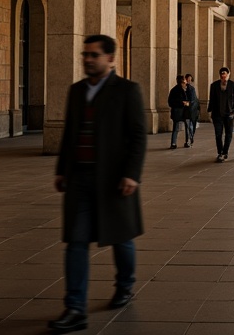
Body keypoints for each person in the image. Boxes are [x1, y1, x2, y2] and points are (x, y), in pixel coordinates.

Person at [50, 34, 146, 333]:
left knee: (121, 237)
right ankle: (75, 307)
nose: (88, 59)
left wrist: (132, 174)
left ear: (111, 59)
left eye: (94, 55)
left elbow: (138, 136)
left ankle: (125, 286)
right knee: (76, 242)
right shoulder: (77, 91)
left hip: (114, 178)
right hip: (80, 177)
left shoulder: (127, 90)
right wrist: (62, 169)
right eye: (85, 54)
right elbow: (71, 132)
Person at [208, 66, 234, 162]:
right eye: (222, 75)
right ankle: (220, 152)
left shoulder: (233, 85)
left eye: (225, 74)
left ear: (228, 75)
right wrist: (210, 111)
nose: (223, 77)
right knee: (218, 134)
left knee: (228, 134)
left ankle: (225, 152)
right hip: (217, 114)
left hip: (229, 114)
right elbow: (212, 99)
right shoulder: (214, 85)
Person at [167, 74, 194, 149]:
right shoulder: (175, 90)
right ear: (182, 81)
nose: (186, 81)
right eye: (185, 80)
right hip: (178, 111)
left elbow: (192, 99)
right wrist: (182, 103)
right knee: (177, 127)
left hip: (185, 111)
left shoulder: (188, 88)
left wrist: (189, 103)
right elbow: (171, 102)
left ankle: (175, 143)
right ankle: (176, 142)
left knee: (183, 127)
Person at [185, 73, 200, 145]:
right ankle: (189, 139)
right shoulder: (187, 89)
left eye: (190, 80)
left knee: (190, 126)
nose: (189, 81)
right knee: (189, 126)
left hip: (192, 110)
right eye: (188, 79)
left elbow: (194, 100)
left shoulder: (192, 89)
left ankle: (190, 139)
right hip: (189, 110)